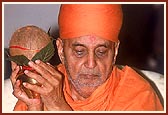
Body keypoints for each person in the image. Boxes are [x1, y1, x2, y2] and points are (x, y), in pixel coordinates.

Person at [10, 4, 163, 111]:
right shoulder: (45, 86)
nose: (91, 64)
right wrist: (35, 107)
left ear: (115, 51)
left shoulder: (138, 96)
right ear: (61, 49)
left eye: (101, 52)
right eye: (79, 52)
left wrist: (57, 106)